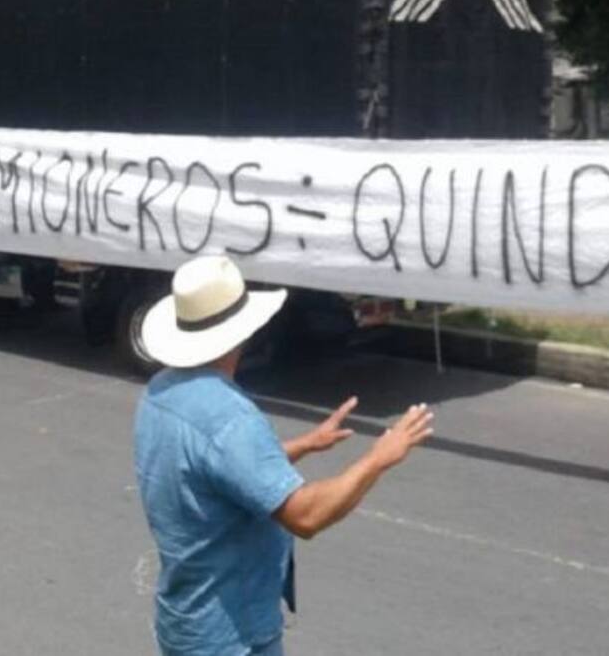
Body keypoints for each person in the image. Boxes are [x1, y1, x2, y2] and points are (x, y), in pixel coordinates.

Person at [134, 255, 434, 656]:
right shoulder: (229, 418)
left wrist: (305, 444)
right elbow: (304, 516)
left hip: (184, 622)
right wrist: (379, 457)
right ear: (241, 333)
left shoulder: (159, 393)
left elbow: (215, 469)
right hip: (231, 638)